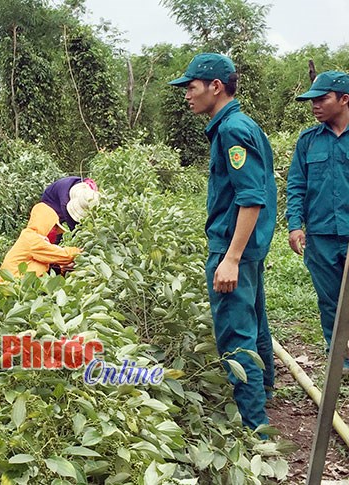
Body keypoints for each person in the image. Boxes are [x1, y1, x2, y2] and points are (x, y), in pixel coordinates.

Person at [169, 53, 276, 434]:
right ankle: (264, 392)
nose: (187, 95)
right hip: (248, 245)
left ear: (216, 87)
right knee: (254, 321)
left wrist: (229, 258)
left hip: (234, 247)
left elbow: (250, 198)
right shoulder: (239, 125)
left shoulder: (232, 130)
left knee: (235, 335)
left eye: (191, 87)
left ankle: (255, 428)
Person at [286, 70, 349, 372]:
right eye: (312, 100)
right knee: (329, 301)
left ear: (344, 99)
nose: (315, 105)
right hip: (321, 236)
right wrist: (295, 224)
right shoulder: (308, 141)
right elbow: (297, 184)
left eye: (322, 99)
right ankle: (340, 359)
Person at [0, 202, 82, 283]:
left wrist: (62, 268)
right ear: (45, 224)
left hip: (16, 285)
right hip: (13, 286)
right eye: (54, 228)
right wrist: (78, 251)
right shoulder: (32, 239)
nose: (55, 232)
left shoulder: (32, 237)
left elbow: (47, 263)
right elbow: (62, 255)